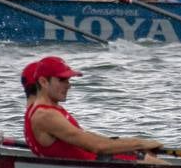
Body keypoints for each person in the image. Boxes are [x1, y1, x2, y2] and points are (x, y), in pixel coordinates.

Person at [25, 56, 163, 160]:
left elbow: (84, 136)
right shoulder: (45, 115)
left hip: (93, 162)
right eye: (62, 80)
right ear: (43, 82)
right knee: (148, 159)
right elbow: (97, 147)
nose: (68, 85)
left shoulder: (46, 108)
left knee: (146, 155)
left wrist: (127, 146)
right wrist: (139, 143)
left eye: (68, 80)